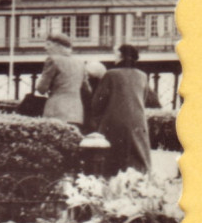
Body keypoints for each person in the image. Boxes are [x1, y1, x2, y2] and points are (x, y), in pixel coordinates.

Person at [89, 43, 157, 175]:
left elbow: (97, 102)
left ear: (120, 55)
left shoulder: (111, 74)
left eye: (115, 54)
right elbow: (146, 99)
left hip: (114, 120)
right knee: (138, 154)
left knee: (112, 155)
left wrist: (97, 120)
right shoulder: (142, 76)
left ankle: (112, 181)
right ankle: (140, 180)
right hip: (138, 121)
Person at [35, 32, 87, 128]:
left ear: (58, 46)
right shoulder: (80, 62)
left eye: (48, 44)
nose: (45, 48)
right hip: (76, 112)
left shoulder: (52, 60)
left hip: (56, 111)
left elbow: (41, 89)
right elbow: (87, 89)